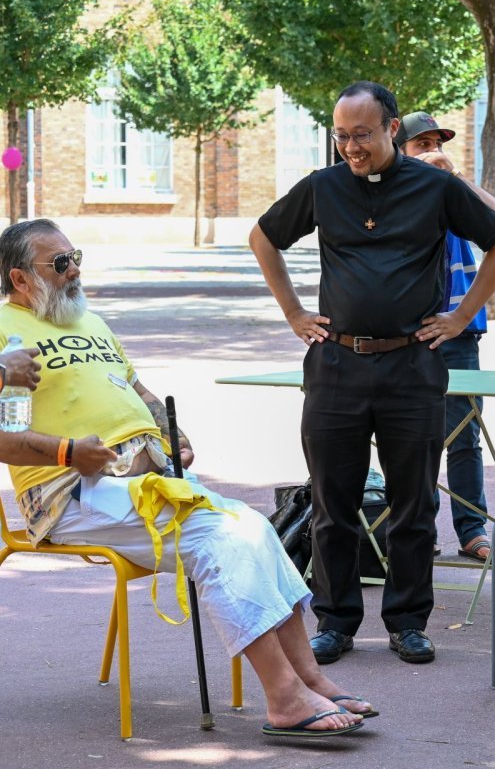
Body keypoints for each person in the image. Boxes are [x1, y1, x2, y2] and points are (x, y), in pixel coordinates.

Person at [0, 219, 372, 738]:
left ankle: (310, 677)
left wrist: (171, 432)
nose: (75, 269)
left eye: (75, 255)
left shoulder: (88, 319)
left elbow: (135, 386)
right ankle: (285, 700)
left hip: (149, 479)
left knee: (256, 529)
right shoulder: (6, 334)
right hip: (73, 490)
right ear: (20, 278)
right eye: (60, 263)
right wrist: (67, 450)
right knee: (220, 539)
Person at [249, 81, 495, 667]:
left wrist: (462, 316)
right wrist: (294, 312)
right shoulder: (322, 188)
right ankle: (336, 621)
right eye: (341, 136)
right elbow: (263, 238)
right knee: (332, 503)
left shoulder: (436, 186)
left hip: (412, 366)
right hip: (336, 366)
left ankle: (407, 622)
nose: (351, 147)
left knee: (413, 502)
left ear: (392, 129)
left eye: (362, 135)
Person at [396, 110, 495, 566]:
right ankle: (414, 529)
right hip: (404, 335)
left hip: (457, 331)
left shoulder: (452, 190)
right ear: (399, 150)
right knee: (406, 435)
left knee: (465, 435)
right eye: (420, 145)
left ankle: (471, 530)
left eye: (436, 143)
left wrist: (457, 178)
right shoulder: (391, 194)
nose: (431, 151)